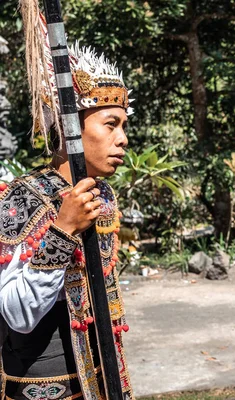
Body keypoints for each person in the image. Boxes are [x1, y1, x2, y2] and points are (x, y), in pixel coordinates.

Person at [0, 15, 134, 399]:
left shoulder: (103, 194)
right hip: (42, 385)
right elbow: (18, 315)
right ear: (72, 127)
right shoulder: (21, 197)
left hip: (102, 375)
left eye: (124, 126)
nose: (122, 139)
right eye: (111, 125)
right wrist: (62, 230)